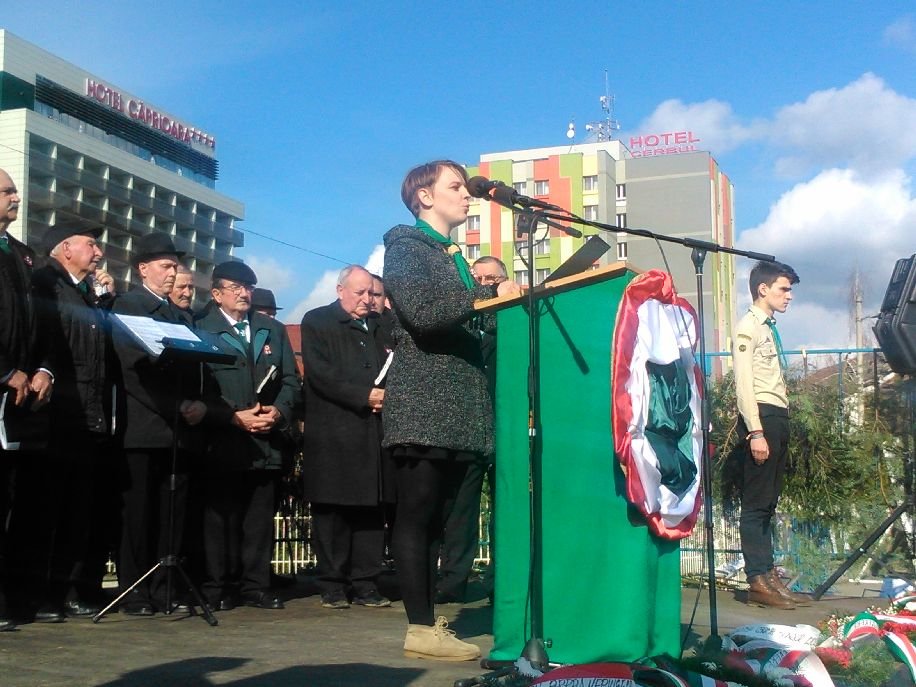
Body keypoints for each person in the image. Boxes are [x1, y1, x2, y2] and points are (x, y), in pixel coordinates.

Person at [382, 160, 520, 661]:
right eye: (455, 187)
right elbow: (424, 313)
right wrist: (488, 293)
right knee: (418, 515)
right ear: (424, 197)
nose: (467, 195)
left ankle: (430, 622)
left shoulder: (450, 255)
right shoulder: (405, 247)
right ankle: (420, 627)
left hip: (459, 406)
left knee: (442, 520)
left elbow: (466, 324)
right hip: (425, 403)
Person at [18, 223, 113, 622]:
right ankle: (38, 595)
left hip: (87, 417)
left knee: (77, 512)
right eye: (90, 244)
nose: (98, 252)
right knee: (46, 512)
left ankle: (69, 590)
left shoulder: (86, 293)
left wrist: (105, 303)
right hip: (56, 417)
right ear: (65, 248)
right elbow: (45, 343)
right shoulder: (46, 283)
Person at [110, 232, 206, 615]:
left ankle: (164, 587)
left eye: (175, 267)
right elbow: (133, 372)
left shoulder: (177, 313)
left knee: (172, 512)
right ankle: (134, 591)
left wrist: (195, 403)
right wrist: (176, 405)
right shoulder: (130, 305)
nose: (172, 273)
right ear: (143, 269)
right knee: (139, 514)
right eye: (166, 266)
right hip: (144, 426)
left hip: (177, 431)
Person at [195, 261, 299, 611]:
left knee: (258, 519)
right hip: (223, 440)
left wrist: (279, 412)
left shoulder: (272, 329)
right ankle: (219, 585)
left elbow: (290, 380)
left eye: (248, 288)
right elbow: (199, 385)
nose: (244, 293)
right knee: (220, 518)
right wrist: (231, 417)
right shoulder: (200, 327)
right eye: (236, 287)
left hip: (265, 442)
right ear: (216, 293)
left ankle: (256, 585)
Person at [300, 265, 394, 609]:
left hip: (374, 434)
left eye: (371, 293)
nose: (367, 299)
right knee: (333, 514)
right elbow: (320, 374)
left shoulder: (382, 325)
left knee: (371, 512)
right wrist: (363, 395)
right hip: (335, 434)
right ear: (340, 290)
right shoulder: (318, 321)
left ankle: (366, 583)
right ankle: (333, 584)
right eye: (359, 293)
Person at [732, 260, 806, 609]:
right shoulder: (749, 327)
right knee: (756, 503)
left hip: (777, 415)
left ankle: (768, 575)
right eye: (783, 289)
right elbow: (744, 383)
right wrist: (756, 431)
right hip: (761, 417)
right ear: (763, 289)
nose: (789, 296)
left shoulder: (767, 327)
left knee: (769, 503)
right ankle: (756, 580)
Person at [436, 256, 508, 604]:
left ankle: (500, 581)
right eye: (477, 279)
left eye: (490, 279)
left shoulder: (511, 322)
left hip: (505, 427)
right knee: (461, 509)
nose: (483, 285)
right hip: (467, 427)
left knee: (504, 508)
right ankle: (453, 581)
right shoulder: (460, 323)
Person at [0, 169, 53, 631]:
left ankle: (14, 597)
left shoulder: (23, 255)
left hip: (22, 401)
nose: (15, 197)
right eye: (6, 191)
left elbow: (44, 324)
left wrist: (43, 369)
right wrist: (4, 370)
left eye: (15, 191)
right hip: (3, 383)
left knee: (16, 500)